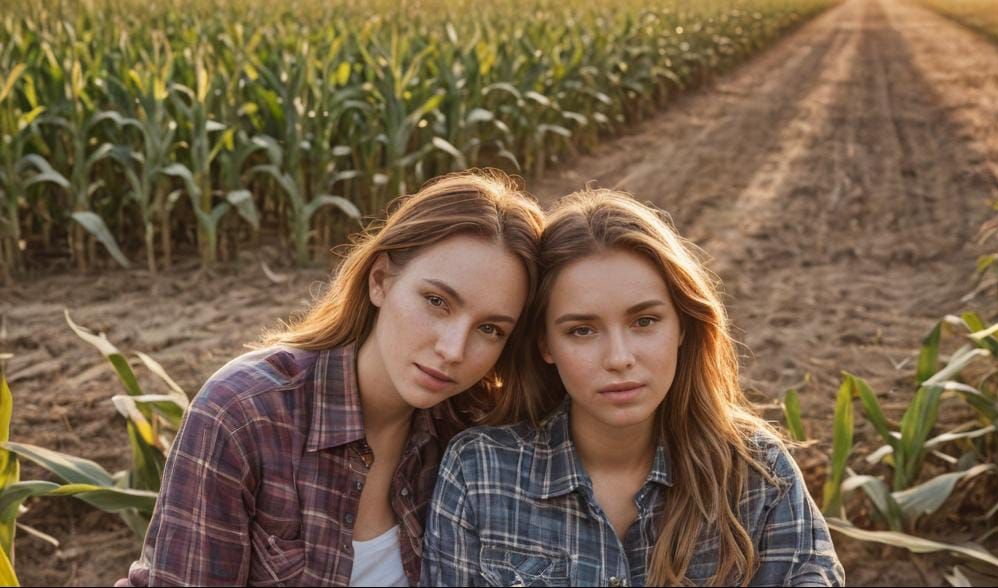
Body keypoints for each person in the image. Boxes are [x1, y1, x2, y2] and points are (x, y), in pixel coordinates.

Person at [118, 170, 544, 587]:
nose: (454, 350)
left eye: (491, 329)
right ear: (380, 280)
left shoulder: (476, 438)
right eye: (437, 301)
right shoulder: (244, 414)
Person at [422, 189, 845, 586]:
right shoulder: (481, 473)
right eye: (583, 330)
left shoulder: (757, 473)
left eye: (644, 322)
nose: (619, 358)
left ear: (683, 326)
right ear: (545, 345)